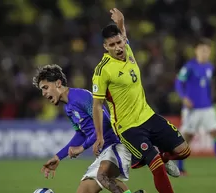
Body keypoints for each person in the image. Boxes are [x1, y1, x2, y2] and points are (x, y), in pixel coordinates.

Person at [92, 8, 190, 193]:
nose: (118, 47)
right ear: (105, 47)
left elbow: (123, 34)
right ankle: (156, 160)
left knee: (184, 151)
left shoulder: (127, 49)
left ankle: (161, 156)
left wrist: (121, 21)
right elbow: (97, 105)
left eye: (119, 42)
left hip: (148, 116)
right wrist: (99, 136)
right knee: (156, 164)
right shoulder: (102, 70)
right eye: (112, 45)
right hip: (128, 127)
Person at [33, 64, 145, 193]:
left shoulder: (81, 96)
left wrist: (82, 147)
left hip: (115, 145)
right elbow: (81, 134)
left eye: (45, 88)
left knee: (102, 175)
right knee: (84, 190)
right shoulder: (68, 107)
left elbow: (105, 121)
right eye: (42, 90)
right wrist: (58, 157)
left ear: (58, 83)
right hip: (104, 152)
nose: (43, 93)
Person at [175, 38, 216, 176]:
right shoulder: (189, 66)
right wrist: (184, 97)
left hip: (207, 108)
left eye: (207, 50)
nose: (204, 52)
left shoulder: (210, 66)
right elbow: (178, 83)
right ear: (196, 50)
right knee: (187, 138)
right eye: (202, 50)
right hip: (192, 109)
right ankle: (179, 168)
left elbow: (207, 86)